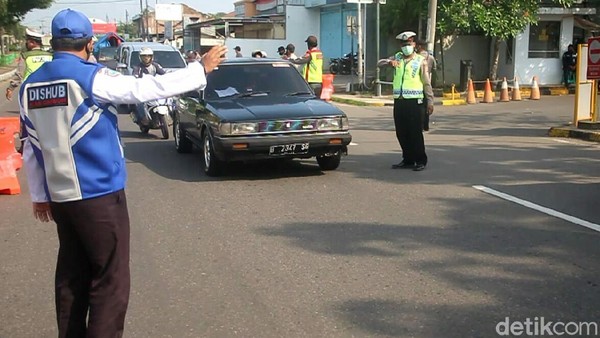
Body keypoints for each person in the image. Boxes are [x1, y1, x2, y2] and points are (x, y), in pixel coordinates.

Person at [18, 8, 226, 337]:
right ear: (88, 44)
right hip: (98, 196)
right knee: (109, 281)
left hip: (61, 198)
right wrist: (199, 69)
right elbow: (144, 89)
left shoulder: (29, 85)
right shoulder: (91, 77)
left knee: (72, 277)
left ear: (53, 44)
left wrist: (40, 196)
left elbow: (30, 146)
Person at [377, 31, 434, 171]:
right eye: (403, 44)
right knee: (401, 132)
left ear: (414, 44)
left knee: (415, 132)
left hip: (415, 102)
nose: (406, 47)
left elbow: (426, 82)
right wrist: (390, 62)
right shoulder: (397, 58)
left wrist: (430, 101)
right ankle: (407, 159)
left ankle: (420, 160)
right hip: (400, 101)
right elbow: (379, 63)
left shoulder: (421, 60)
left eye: (408, 44)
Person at [5, 28, 53, 101]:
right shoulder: (50, 55)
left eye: (27, 42)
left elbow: (19, 75)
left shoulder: (25, 56)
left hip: (30, 92)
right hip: (49, 92)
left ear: (32, 42)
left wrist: (10, 88)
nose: (26, 44)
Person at [131, 47, 166, 125]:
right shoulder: (138, 67)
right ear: (140, 57)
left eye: (148, 56)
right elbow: (135, 77)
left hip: (153, 89)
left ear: (151, 57)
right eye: (144, 56)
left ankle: (170, 114)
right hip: (143, 90)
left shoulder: (155, 66)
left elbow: (163, 73)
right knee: (139, 102)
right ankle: (143, 118)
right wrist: (137, 81)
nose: (146, 58)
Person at [416, 40, 436, 131]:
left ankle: (419, 125)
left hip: (418, 84)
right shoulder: (430, 58)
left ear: (419, 46)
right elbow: (435, 70)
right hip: (427, 83)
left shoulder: (416, 57)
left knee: (420, 106)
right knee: (426, 104)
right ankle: (426, 125)